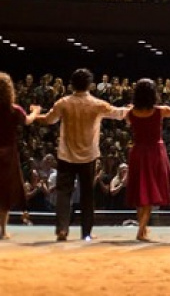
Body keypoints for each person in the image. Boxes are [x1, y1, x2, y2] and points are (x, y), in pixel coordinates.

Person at [34, 68, 130, 241]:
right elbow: (118, 113)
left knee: (64, 193)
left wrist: (33, 115)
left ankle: (62, 229)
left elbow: (48, 119)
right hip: (88, 156)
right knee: (87, 195)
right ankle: (86, 232)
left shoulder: (63, 103)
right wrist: (130, 109)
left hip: (66, 155)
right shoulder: (96, 104)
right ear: (89, 85)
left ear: (72, 84)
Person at [126, 78, 170, 242]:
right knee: (150, 192)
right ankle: (142, 228)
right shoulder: (159, 111)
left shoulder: (131, 113)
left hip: (138, 151)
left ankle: (142, 228)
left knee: (141, 191)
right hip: (154, 152)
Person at [0, 72, 41, 239]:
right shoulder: (14, 110)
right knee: (5, 192)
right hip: (8, 153)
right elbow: (28, 120)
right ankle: (3, 230)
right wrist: (36, 111)